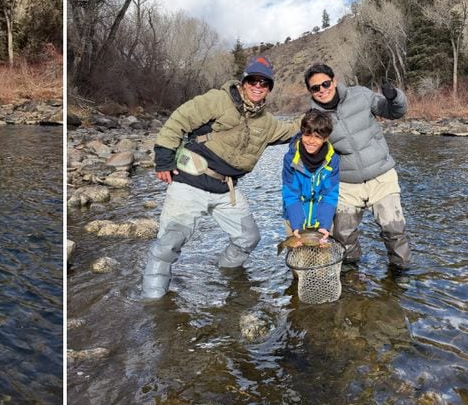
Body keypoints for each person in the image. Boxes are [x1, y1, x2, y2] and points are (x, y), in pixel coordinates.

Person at [143, 56, 300, 299]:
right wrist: (163, 158)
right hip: (190, 182)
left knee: (249, 238)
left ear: (269, 88)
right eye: (253, 80)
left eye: (264, 83)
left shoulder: (267, 123)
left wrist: (326, 111)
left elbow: (295, 130)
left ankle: (225, 277)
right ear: (243, 82)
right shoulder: (218, 99)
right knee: (168, 245)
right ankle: (153, 305)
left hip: (226, 189)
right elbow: (179, 119)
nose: (258, 86)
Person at [303, 63, 410, 267]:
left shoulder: (360, 95)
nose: (322, 90)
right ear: (310, 92)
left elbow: (395, 112)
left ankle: (401, 277)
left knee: (394, 232)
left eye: (325, 84)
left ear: (334, 81)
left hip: (382, 176)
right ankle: (353, 278)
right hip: (346, 184)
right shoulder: (314, 118)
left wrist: (394, 96)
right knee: (344, 238)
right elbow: (310, 152)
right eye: (315, 88)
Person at [281, 109, 339, 242]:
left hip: (323, 220)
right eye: (307, 135)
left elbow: (329, 195)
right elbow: (290, 194)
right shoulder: (290, 159)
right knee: (298, 257)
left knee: (323, 259)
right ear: (302, 133)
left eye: (318, 137)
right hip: (294, 218)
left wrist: (325, 225)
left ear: (325, 138)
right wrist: (297, 225)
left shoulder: (333, 160)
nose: (311, 141)